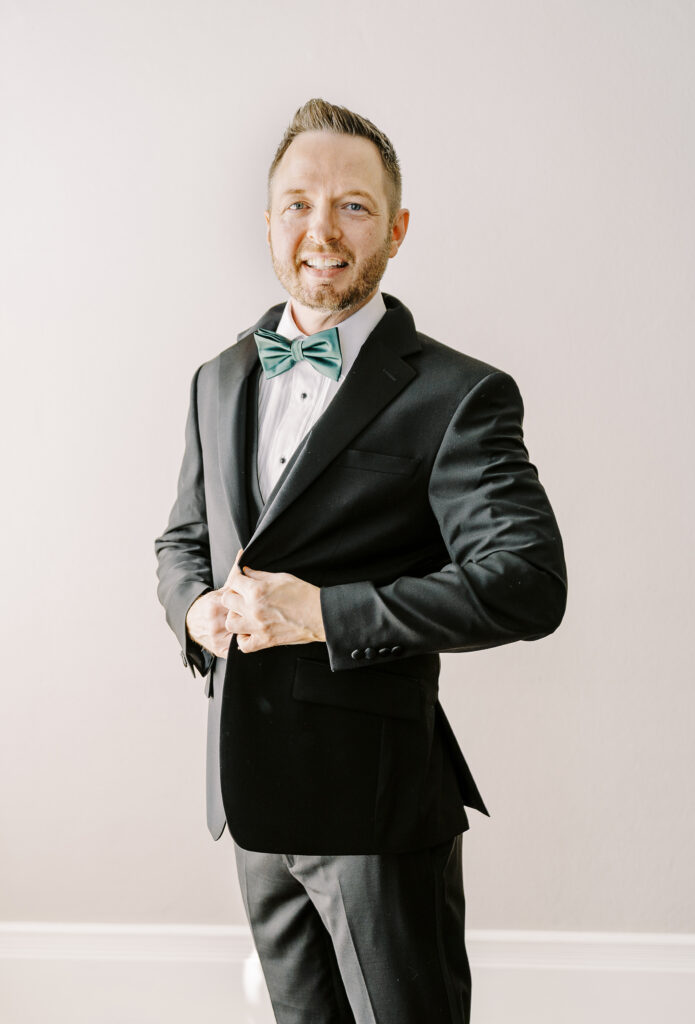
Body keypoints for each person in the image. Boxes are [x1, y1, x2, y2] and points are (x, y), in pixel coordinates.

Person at [155, 98, 566, 1024]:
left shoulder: (458, 395)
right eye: (298, 203)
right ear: (268, 223)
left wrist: (323, 613)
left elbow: (527, 581)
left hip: (376, 811)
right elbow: (183, 539)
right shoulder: (218, 377)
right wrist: (193, 608)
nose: (321, 230)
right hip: (248, 800)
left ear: (396, 227)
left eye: (353, 206)